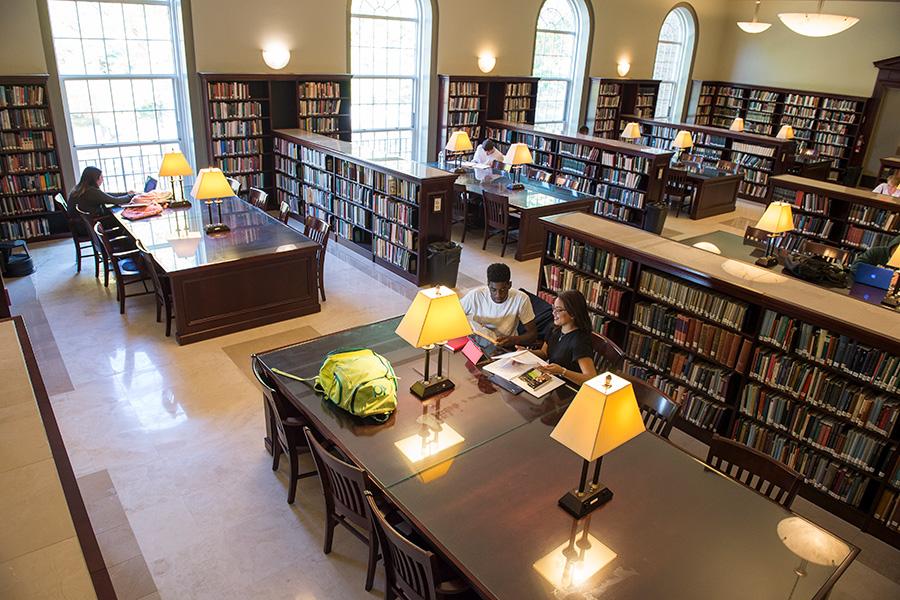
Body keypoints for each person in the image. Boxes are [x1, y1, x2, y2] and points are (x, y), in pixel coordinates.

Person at [529, 290, 597, 386]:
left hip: (568, 387)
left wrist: (562, 371)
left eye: (559, 310)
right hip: (553, 380)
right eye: (553, 308)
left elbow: (590, 378)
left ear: (573, 313)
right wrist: (526, 352)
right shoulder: (554, 328)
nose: (553, 313)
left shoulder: (580, 341)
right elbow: (544, 353)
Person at [461, 262, 537, 347]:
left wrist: (514, 339)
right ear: (488, 285)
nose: (498, 295)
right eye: (493, 290)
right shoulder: (475, 295)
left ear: (509, 285)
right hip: (478, 344)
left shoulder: (521, 299)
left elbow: (533, 334)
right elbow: (455, 316)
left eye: (503, 289)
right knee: (462, 357)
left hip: (506, 346)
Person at [69, 166, 135, 218]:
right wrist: (132, 196)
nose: (102, 180)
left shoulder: (81, 188)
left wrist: (126, 193)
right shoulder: (91, 191)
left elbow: (106, 195)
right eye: (101, 177)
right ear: (95, 179)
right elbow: (115, 200)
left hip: (83, 224)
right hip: (91, 224)